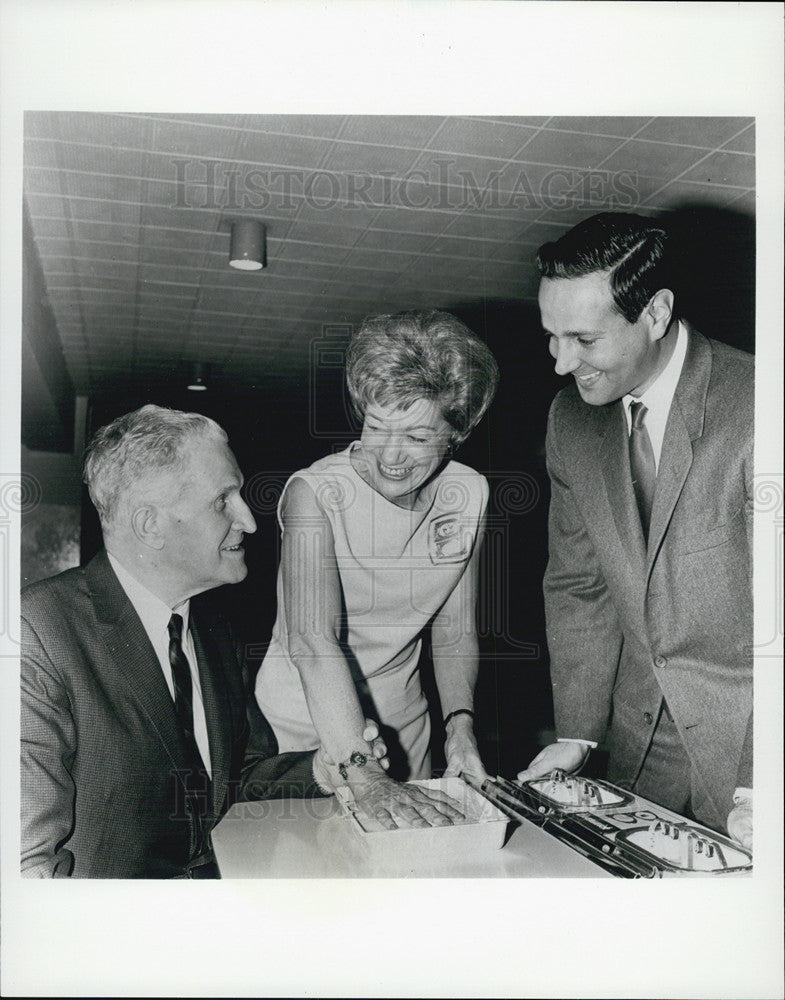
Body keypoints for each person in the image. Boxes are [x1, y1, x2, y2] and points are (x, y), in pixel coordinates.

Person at [20, 404, 387, 878]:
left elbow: (235, 782)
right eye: (223, 501)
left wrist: (321, 769)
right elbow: (27, 868)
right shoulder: (40, 631)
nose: (251, 522)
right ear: (149, 525)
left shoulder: (215, 632)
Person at [517, 213, 753, 849]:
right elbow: (578, 587)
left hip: (752, 746)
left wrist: (762, 780)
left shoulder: (761, 405)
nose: (562, 362)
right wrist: (578, 732)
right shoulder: (570, 421)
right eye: (551, 336)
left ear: (655, 312)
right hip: (635, 741)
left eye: (583, 340)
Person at [255, 309, 499, 830]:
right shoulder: (314, 494)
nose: (389, 455)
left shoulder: (469, 493)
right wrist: (362, 773)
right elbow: (312, 640)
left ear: (457, 430)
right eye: (376, 426)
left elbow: (455, 630)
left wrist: (460, 726)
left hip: (404, 726)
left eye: (414, 437)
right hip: (308, 724)